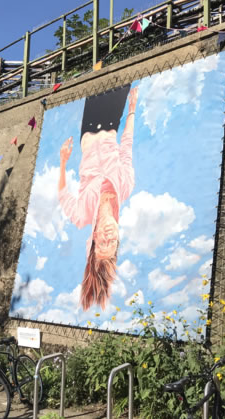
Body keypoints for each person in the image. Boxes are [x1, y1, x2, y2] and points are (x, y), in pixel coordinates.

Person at [58, 85, 138, 311]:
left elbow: (63, 195)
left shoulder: (82, 215)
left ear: (93, 237)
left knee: (99, 78)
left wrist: (63, 161)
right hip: (112, 123)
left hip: (89, 129)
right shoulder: (125, 187)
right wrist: (131, 110)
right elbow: (126, 147)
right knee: (121, 79)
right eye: (112, 244)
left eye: (102, 242)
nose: (108, 237)